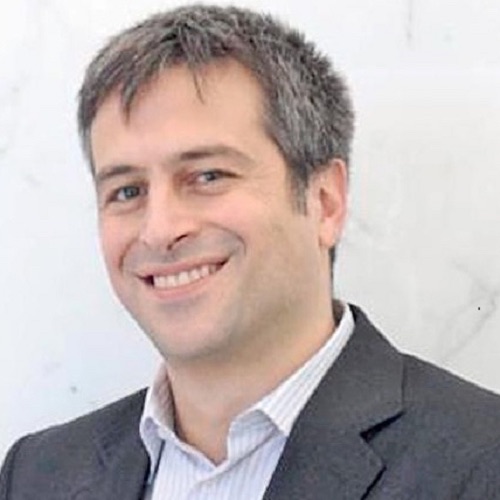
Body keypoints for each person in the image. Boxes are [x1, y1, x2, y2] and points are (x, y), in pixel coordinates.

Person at [2, 4, 500, 499]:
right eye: (127, 191)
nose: (159, 230)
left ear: (325, 201)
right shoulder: (36, 474)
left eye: (207, 176)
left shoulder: (481, 462)